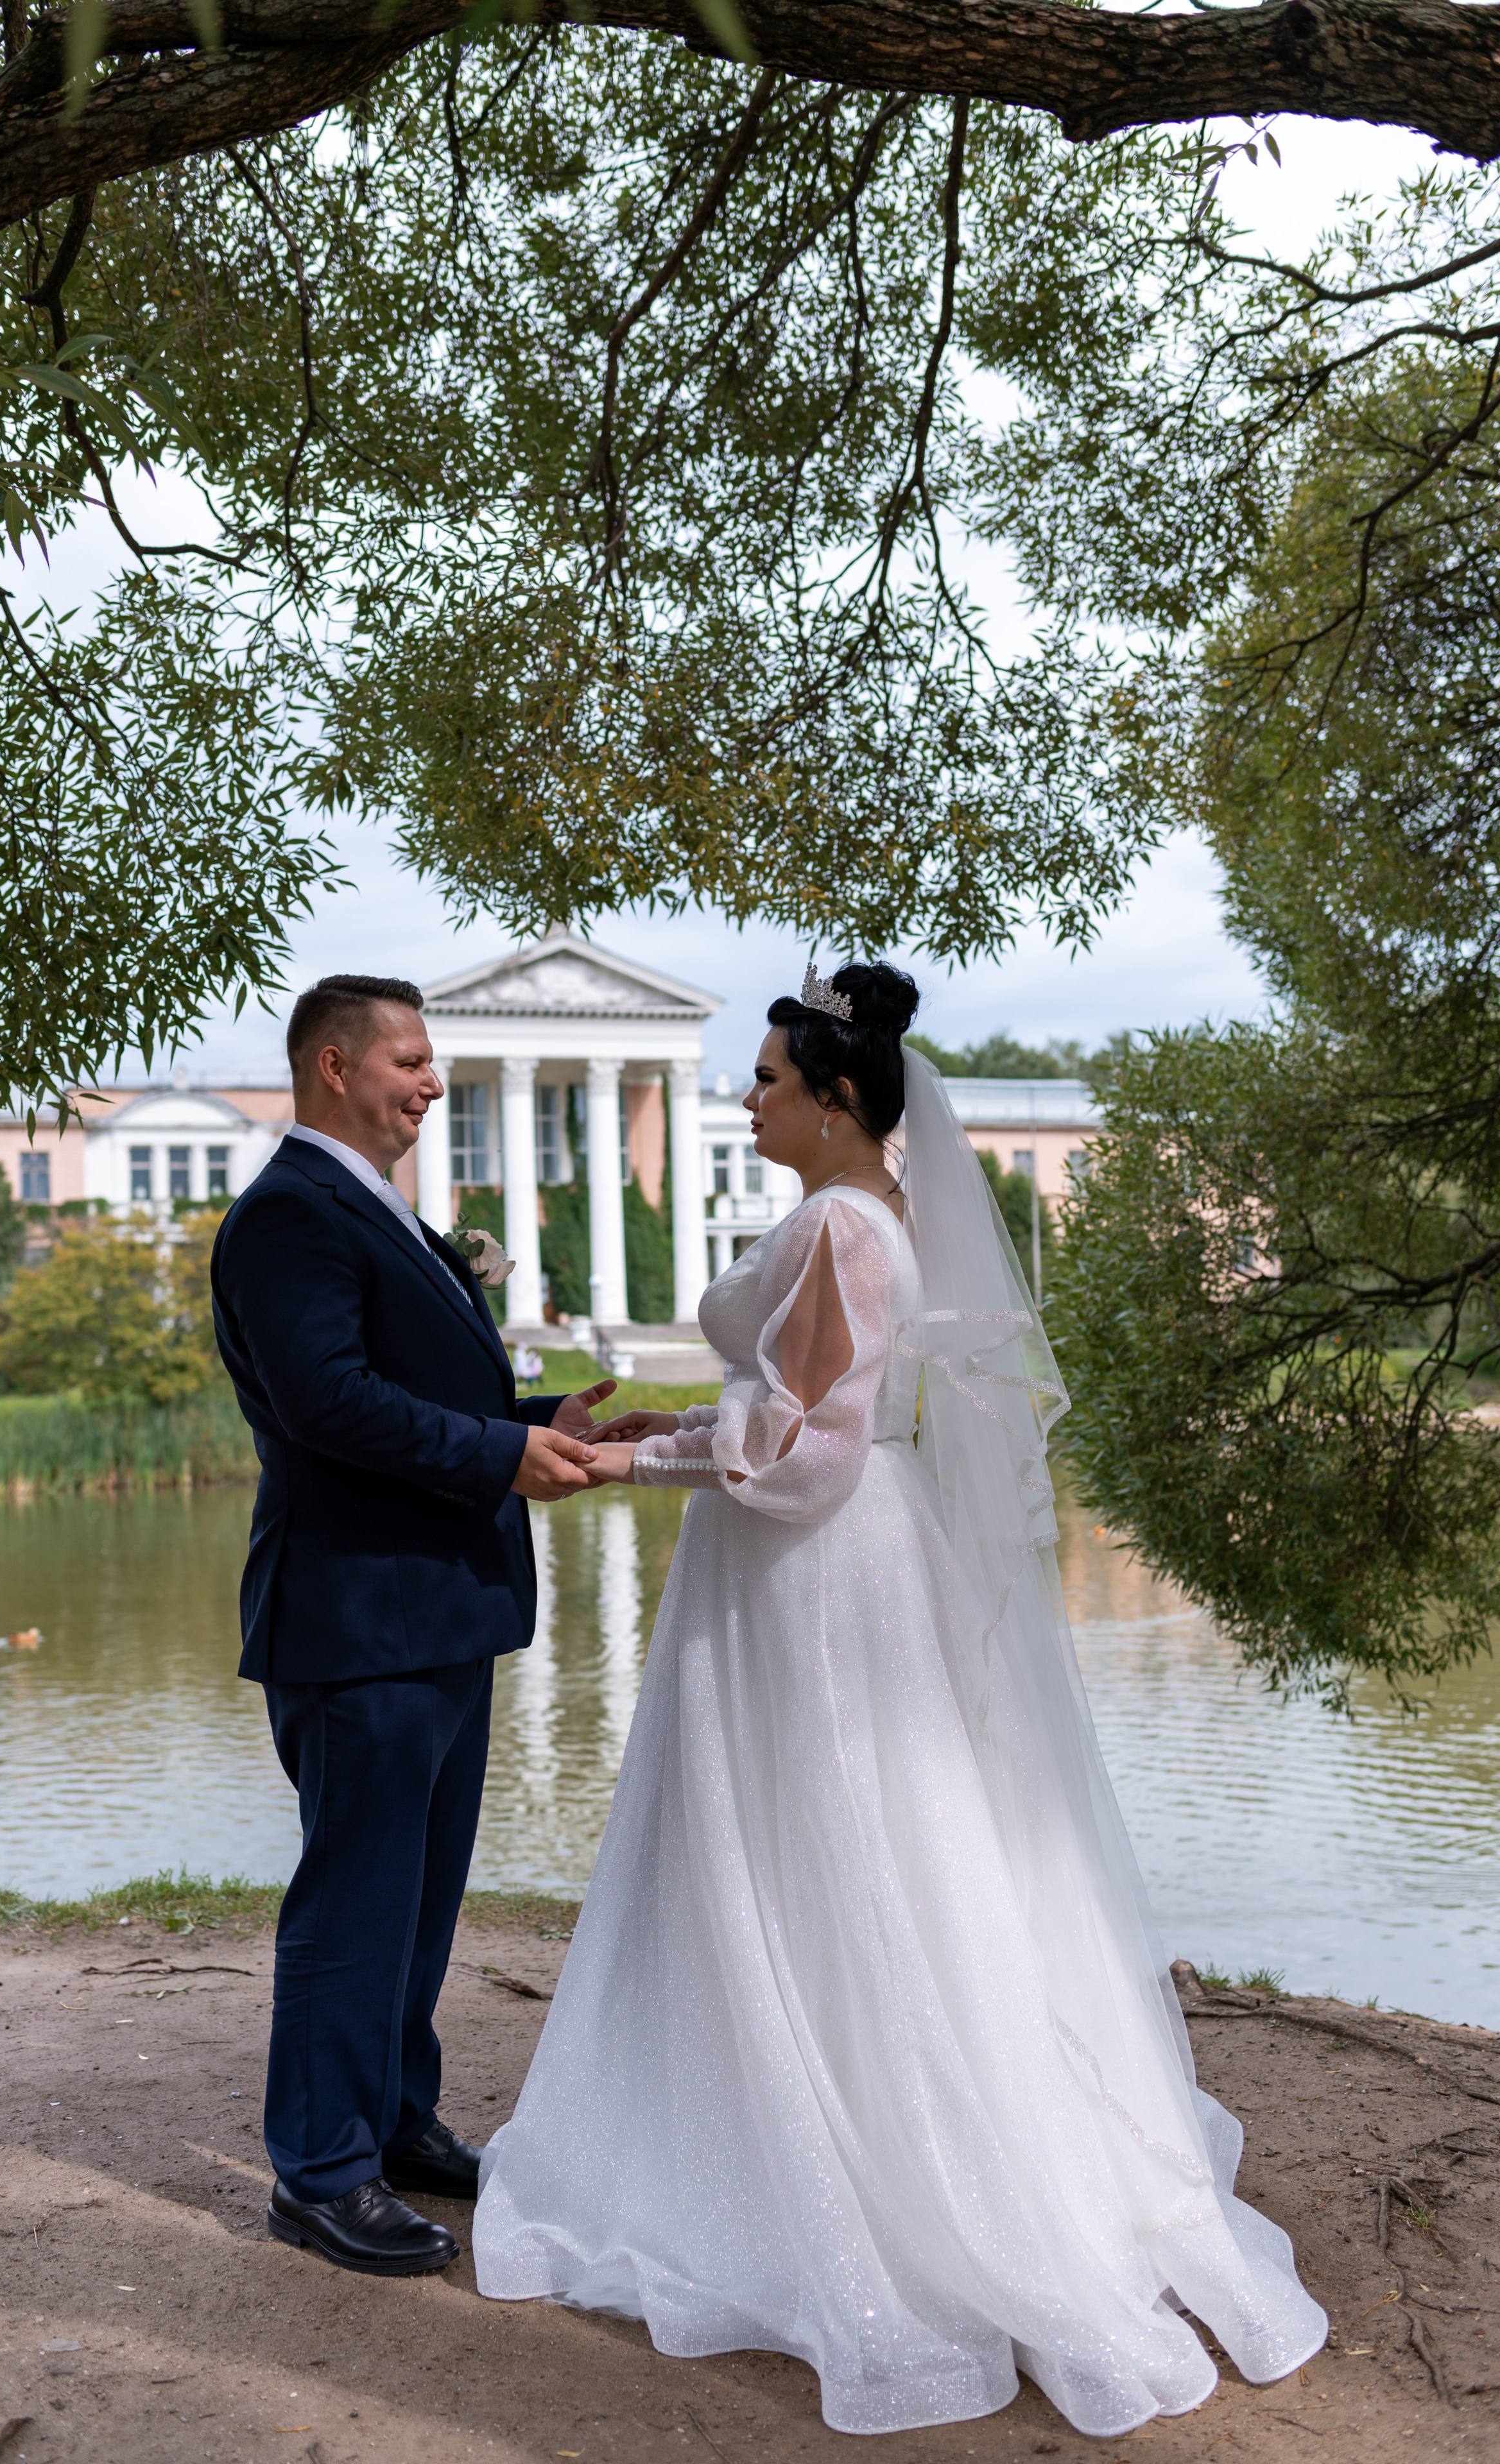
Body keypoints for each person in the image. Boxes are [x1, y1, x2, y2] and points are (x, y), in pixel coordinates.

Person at [472, 960, 1327, 2438]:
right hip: (841, 1561)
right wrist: (682, 1421)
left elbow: (805, 1458)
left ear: (837, 1101)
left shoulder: (834, 1228)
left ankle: (863, 2152)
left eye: (766, 1080)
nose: (745, 1097)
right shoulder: (886, 1218)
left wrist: (637, 1464)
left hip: (807, 1576)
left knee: (831, 1846)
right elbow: (804, 1413)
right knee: (853, 1842)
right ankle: (786, 2106)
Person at [211, 973, 612, 2279]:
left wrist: (544, 1421)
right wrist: (501, 1453)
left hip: (438, 1609)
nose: (431, 1082)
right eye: (410, 1060)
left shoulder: (379, 1210)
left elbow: (418, 1383)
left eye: (431, 1063)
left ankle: (390, 2118)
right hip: (357, 1612)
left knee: (421, 1901)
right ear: (335, 1067)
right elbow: (328, 1401)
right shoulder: (287, 1214)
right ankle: (319, 2173)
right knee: (356, 1897)